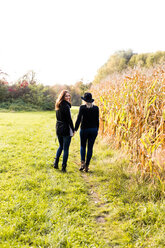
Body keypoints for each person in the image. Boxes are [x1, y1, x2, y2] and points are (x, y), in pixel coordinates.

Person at [75, 92, 99, 172]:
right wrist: (97, 129)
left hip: (84, 129)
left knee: (82, 146)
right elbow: (97, 120)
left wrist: (75, 129)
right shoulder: (96, 108)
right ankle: (87, 166)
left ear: (85, 100)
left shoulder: (82, 107)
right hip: (93, 130)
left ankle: (82, 163)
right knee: (90, 148)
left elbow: (78, 119)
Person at [54, 90, 75, 172]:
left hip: (59, 128)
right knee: (65, 148)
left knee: (61, 146)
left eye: (69, 96)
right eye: (66, 96)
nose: (68, 97)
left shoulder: (58, 105)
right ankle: (63, 167)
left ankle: (55, 163)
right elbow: (69, 119)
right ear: (63, 97)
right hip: (66, 128)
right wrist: (73, 130)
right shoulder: (66, 106)